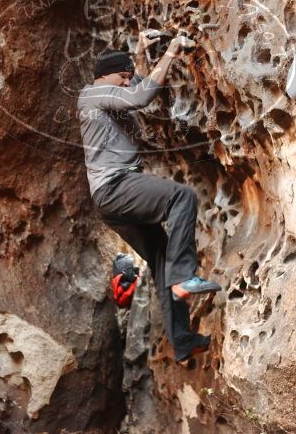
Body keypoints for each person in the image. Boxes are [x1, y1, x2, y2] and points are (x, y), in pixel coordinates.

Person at [77, 30, 222, 362]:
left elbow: (137, 87)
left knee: (159, 257)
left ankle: (182, 341)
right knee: (181, 198)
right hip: (116, 186)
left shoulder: (106, 96)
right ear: (104, 75)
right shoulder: (92, 93)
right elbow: (140, 97)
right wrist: (170, 52)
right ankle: (185, 278)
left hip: (111, 200)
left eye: (128, 76)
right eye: (122, 75)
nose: (128, 81)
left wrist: (141, 53)